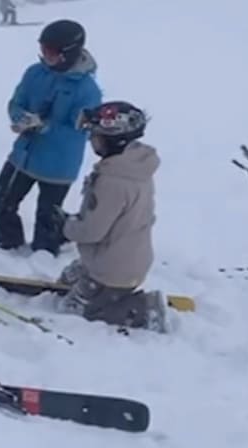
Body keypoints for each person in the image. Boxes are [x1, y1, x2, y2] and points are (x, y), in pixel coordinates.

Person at [0, 19, 102, 254]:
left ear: (68, 53)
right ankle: (9, 248)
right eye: (42, 49)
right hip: (24, 155)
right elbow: (16, 102)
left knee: (47, 216)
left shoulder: (87, 90)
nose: (45, 56)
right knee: (1, 202)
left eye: (50, 52)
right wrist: (20, 117)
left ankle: (46, 256)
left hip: (59, 163)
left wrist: (43, 126)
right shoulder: (35, 73)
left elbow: (79, 129)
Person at [55, 101, 167, 332]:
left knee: (75, 311)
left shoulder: (113, 181)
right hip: (127, 254)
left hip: (114, 268)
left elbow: (93, 231)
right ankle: (91, 273)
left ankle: (143, 308)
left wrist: (64, 226)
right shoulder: (133, 167)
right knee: (68, 287)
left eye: (95, 135)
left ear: (115, 139)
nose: (91, 140)